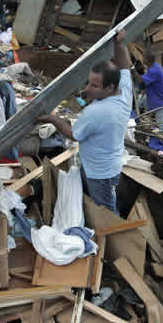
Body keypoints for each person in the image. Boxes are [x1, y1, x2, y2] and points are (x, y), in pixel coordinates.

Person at [37, 30, 132, 213]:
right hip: (105, 164)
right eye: (89, 83)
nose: (87, 89)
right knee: (95, 195)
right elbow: (125, 66)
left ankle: (110, 235)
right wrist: (119, 44)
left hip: (100, 173)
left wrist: (51, 118)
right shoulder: (124, 92)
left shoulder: (96, 111)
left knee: (106, 210)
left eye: (94, 86)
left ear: (110, 87)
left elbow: (72, 134)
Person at [137, 52, 163, 135]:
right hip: (154, 96)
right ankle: (139, 120)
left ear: (148, 60)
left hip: (160, 100)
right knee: (140, 101)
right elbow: (151, 82)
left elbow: (141, 80)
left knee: (161, 122)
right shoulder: (152, 66)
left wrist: (132, 71)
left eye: (144, 58)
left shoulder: (154, 70)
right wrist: (145, 90)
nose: (142, 59)